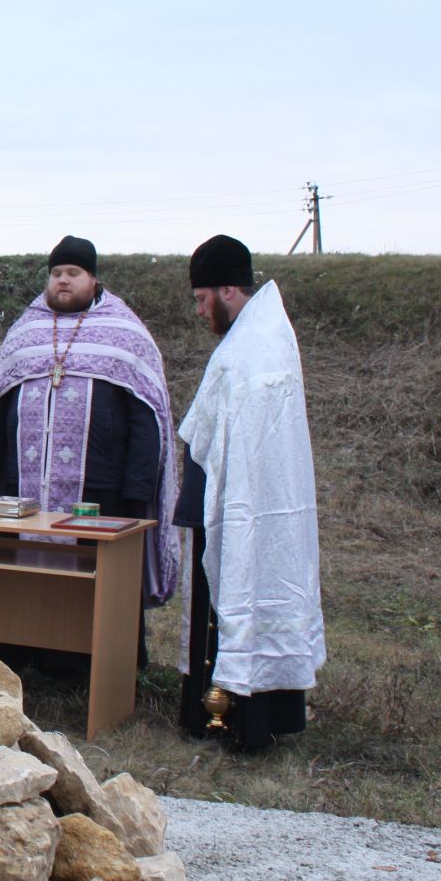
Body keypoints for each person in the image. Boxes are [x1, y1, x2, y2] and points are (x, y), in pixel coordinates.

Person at [176, 235, 326, 750]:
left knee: (243, 593)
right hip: (230, 494)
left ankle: (239, 721)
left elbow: (245, 437)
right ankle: (221, 714)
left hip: (248, 502)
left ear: (227, 290)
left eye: (201, 299)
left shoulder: (256, 347)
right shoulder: (255, 336)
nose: (199, 311)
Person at [0, 236, 177, 591]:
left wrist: (136, 493)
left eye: (73, 272)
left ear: (93, 279)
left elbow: (147, 418)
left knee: (100, 592)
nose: (62, 280)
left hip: (101, 494)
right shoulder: (26, 332)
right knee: (21, 592)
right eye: (56, 273)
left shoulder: (126, 334)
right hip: (20, 491)